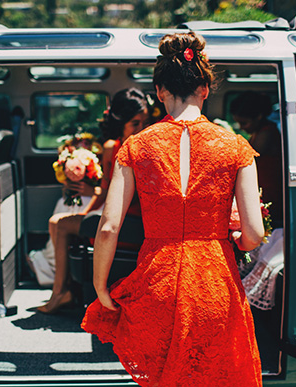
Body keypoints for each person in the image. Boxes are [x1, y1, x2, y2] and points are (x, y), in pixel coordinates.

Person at [82, 32, 264, 386]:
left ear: (160, 91)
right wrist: (238, 240)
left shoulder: (135, 146)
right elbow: (255, 234)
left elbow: (107, 227)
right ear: (205, 89)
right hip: (215, 284)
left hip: (158, 283)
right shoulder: (236, 147)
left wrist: (100, 286)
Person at [35, 88, 149, 314]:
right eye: (135, 124)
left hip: (134, 224)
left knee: (62, 224)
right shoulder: (111, 148)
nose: (142, 129)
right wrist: (85, 215)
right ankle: (66, 289)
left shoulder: (144, 150)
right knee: (58, 221)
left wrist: (86, 219)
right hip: (118, 219)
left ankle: (60, 293)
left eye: (145, 123)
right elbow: (105, 191)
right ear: (120, 124)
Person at [229, 91, 283, 227]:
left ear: (258, 117)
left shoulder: (267, 133)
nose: (241, 127)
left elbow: (247, 156)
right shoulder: (258, 132)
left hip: (269, 191)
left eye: (244, 123)